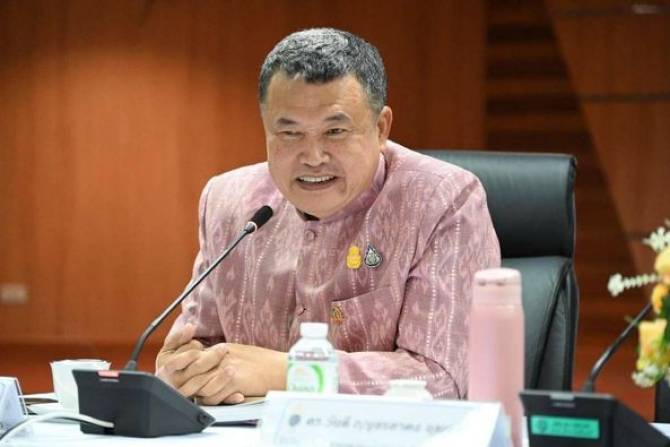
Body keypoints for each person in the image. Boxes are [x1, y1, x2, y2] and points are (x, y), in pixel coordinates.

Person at [156, 28, 500, 405]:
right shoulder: (229, 203)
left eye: (335, 131)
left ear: (380, 128)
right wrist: (184, 369)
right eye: (290, 133)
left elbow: (440, 379)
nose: (313, 157)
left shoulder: (442, 201)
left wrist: (289, 372)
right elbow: (200, 344)